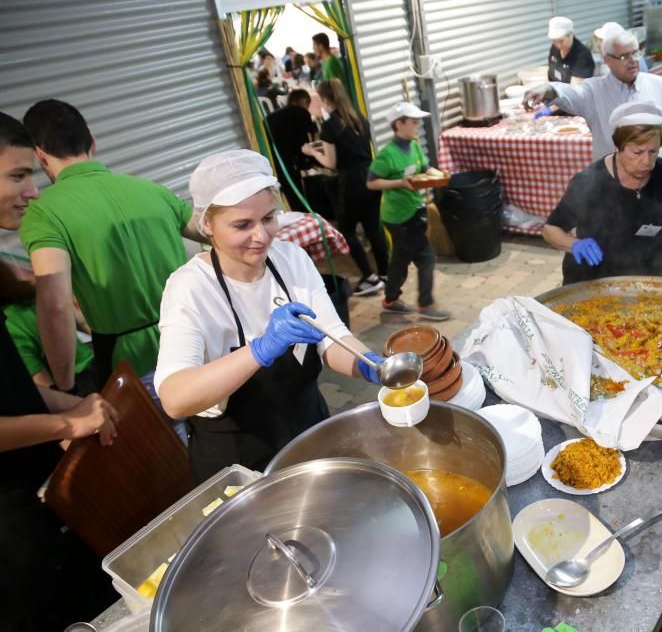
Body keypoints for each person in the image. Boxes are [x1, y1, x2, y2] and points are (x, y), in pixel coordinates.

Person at [154, 150, 385, 482]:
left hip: (310, 434)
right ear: (207, 224)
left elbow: (332, 338)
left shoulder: (291, 259)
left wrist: (370, 364)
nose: (261, 236)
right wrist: (260, 349)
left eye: (268, 218)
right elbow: (175, 399)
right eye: (242, 225)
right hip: (238, 462)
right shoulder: (189, 289)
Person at [0, 111, 120, 631]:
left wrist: (73, 405)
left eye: (32, 173)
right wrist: (68, 423)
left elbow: (11, 393)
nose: (33, 191)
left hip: (38, 502)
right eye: (16, 176)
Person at [20, 99, 202, 392]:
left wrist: (65, 384)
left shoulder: (42, 213)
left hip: (133, 367)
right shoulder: (152, 190)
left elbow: (55, 305)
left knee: (166, 439)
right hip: (198, 341)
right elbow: (216, 230)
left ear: (39, 156)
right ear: (92, 142)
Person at [544, 101, 662, 285]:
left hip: (653, 273)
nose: (646, 162)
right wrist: (575, 245)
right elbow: (551, 230)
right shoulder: (590, 182)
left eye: (653, 151)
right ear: (618, 146)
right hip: (597, 279)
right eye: (637, 152)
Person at [523, 26, 662, 160]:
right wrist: (547, 88)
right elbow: (570, 93)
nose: (633, 61)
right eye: (623, 56)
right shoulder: (594, 91)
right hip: (610, 181)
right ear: (607, 60)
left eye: (635, 53)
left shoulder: (660, 86)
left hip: (654, 176)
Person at [302, 78, 389, 296]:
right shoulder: (358, 118)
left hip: (351, 181)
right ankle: (386, 274)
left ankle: (369, 277)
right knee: (373, 226)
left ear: (323, 99)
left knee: (347, 230)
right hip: (370, 174)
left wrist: (313, 152)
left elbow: (330, 163)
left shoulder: (330, 126)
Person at [367, 102, 450, 320]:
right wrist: (400, 184)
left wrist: (440, 175)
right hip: (397, 217)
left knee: (400, 258)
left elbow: (423, 168)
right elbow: (372, 183)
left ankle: (391, 299)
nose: (417, 126)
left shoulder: (413, 146)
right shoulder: (387, 155)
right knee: (426, 258)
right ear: (399, 123)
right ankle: (425, 305)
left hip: (413, 211)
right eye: (413, 122)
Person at [265, 88, 316, 201]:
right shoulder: (301, 113)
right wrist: (309, 162)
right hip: (289, 160)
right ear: (305, 102)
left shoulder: (272, 116)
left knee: (287, 195)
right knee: (297, 194)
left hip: (271, 162)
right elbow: (306, 143)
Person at [547, 16, 595, 84]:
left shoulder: (582, 55)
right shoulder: (554, 48)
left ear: (571, 35)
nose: (558, 45)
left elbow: (576, 89)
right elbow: (551, 73)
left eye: (561, 41)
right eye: (554, 41)